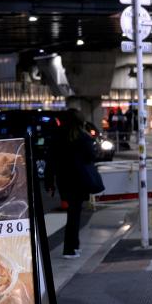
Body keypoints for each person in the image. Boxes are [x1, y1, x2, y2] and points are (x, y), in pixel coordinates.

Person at [45, 109, 101, 259]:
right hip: (80, 180)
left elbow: (50, 162)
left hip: (64, 180)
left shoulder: (56, 138)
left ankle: (73, 246)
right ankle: (70, 248)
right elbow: (92, 156)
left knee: (73, 212)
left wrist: (49, 182)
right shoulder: (83, 137)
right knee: (75, 213)